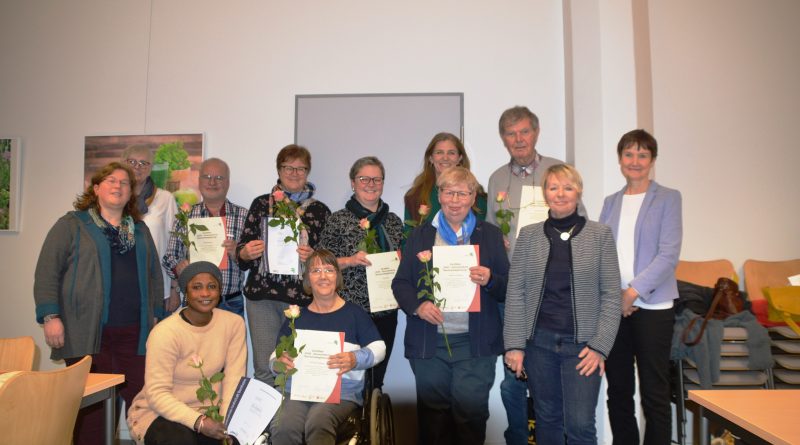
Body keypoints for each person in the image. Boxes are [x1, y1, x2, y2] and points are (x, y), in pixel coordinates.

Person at [34, 162, 164, 445]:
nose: (118, 186)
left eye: (124, 183)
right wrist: (50, 316)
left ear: (131, 193)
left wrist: (156, 314)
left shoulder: (140, 230)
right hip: (88, 333)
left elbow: (154, 275)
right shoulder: (72, 225)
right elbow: (47, 271)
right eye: (110, 181)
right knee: (92, 414)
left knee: (144, 404)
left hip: (135, 336)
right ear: (96, 189)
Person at [504, 164, 620, 445]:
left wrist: (600, 346)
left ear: (578, 191)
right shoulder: (529, 235)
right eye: (554, 187)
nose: (560, 194)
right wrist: (515, 345)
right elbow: (516, 292)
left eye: (567, 187)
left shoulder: (599, 235)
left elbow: (612, 295)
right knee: (547, 419)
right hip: (539, 345)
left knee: (580, 425)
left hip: (582, 349)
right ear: (545, 193)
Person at [392, 166, 509, 445]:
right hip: (430, 342)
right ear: (439, 195)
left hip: (475, 343)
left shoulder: (490, 235)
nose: (455, 200)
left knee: (471, 418)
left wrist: (491, 279)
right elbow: (401, 284)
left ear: (472, 199)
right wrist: (419, 306)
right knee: (433, 422)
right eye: (448, 192)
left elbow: (507, 288)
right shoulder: (421, 236)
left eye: (462, 193)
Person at [487, 105, 581, 445]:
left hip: (553, 296)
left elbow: (580, 226)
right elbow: (490, 232)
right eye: (511, 134)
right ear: (503, 139)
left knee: (553, 376)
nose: (518, 139)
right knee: (512, 378)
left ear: (536, 133)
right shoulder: (497, 179)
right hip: (514, 294)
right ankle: (517, 438)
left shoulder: (559, 171)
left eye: (524, 131)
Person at [600, 129, 682, 445]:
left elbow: (668, 254)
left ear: (652, 160)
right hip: (615, 308)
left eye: (643, 155)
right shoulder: (611, 202)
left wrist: (632, 292)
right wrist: (616, 297)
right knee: (618, 391)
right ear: (620, 159)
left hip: (653, 308)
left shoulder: (668, 198)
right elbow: (601, 252)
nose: (635, 161)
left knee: (654, 393)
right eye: (629, 154)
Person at [268, 249, 386, 445]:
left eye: (329, 270)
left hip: (341, 393)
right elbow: (275, 356)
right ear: (307, 279)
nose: (323, 276)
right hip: (299, 392)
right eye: (315, 271)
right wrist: (278, 363)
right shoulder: (296, 317)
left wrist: (355, 358)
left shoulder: (354, 314)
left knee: (319, 420)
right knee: (283, 425)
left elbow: (379, 348)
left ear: (337, 276)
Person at [237, 144, 331, 385]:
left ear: (308, 172)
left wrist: (312, 257)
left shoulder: (320, 211)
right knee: (265, 369)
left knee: (299, 368)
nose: (294, 172)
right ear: (278, 170)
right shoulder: (260, 204)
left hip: (302, 300)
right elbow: (241, 252)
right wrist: (246, 252)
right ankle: (268, 424)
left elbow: (327, 260)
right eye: (288, 167)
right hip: (263, 299)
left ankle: (290, 422)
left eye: (301, 168)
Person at [128, 261, 247, 444]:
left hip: (211, 412)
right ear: (186, 292)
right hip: (161, 413)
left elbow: (234, 380)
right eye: (196, 287)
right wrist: (199, 422)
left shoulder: (233, 324)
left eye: (212, 287)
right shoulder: (165, 332)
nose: (205, 293)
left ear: (220, 290)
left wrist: (225, 422)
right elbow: (157, 394)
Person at [318, 156, 403, 390]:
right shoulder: (338, 220)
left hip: (385, 312)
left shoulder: (394, 222)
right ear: (353, 183)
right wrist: (349, 260)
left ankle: (372, 423)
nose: (371, 183)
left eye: (377, 179)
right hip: (348, 311)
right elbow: (320, 263)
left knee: (376, 379)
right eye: (364, 178)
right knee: (348, 379)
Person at [163, 158, 248, 315]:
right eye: (207, 177)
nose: (212, 182)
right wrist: (178, 266)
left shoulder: (244, 216)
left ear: (228, 183)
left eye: (219, 178)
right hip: (194, 301)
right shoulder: (185, 215)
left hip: (230, 302)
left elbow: (253, 262)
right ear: (199, 180)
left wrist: (239, 253)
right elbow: (169, 257)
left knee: (231, 341)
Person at [122, 144, 179, 312]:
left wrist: (174, 289)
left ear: (151, 168)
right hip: (122, 287)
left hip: (157, 288)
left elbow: (175, 246)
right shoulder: (116, 199)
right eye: (132, 161)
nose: (137, 167)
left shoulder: (165, 198)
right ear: (122, 163)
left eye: (143, 163)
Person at [403, 132, 487, 235]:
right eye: (439, 152)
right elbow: (408, 242)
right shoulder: (414, 196)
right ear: (430, 158)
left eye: (451, 153)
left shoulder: (476, 193)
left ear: (459, 158)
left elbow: (484, 237)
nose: (445, 158)